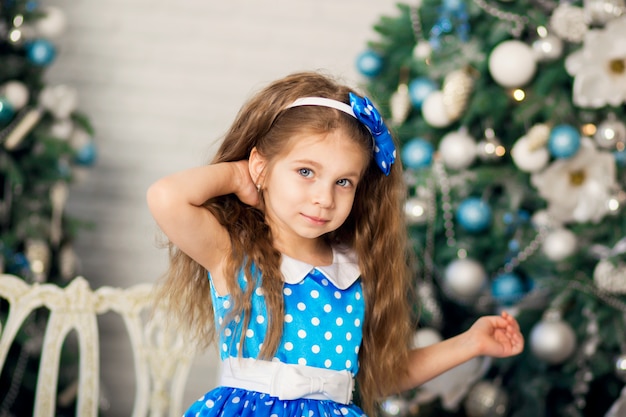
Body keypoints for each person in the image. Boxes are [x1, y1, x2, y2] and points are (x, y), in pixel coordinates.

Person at [146, 71, 524, 417]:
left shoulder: (352, 270)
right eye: (306, 172)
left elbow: (381, 376)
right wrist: (236, 174)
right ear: (262, 167)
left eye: (343, 182)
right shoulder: (234, 254)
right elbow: (167, 197)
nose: (324, 198)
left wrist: (470, 343)